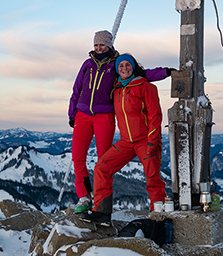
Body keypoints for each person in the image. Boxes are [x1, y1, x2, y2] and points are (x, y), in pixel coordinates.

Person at [68, 31, 173, 214]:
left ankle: (158, 213)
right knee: (87, 161)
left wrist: (166, 72)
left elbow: (144, 75)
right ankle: (92, 204)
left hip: (111, 121)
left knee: (147, 174)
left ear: (109, 45)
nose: (99, 48)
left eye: (102, 45)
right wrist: (72, 113)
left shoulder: (123, 74)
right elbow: (77, 88)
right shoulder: (91, 67)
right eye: (96, 45)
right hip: (89, 119)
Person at [80, 53, 167, 226]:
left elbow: (155, 115)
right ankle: (102, 212)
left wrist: (153, 140)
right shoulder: (117, 88)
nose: (124, 68)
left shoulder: (146, 87)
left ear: (133, 67)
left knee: (153, 178)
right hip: (126, 142)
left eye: (128, 65)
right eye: (121, 66)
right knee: (102, 167)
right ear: (117, 70)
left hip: (145, 140)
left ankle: (159, 218)